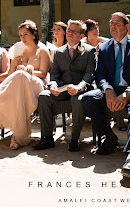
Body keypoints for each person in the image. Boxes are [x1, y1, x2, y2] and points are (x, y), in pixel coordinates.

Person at [80, 12, 130, 180]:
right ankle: (110, 137)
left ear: (127, 27)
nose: (113, 26)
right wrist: (108, 90)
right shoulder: (105, 47)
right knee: (88, 98)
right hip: (113, 90)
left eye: (117, 24)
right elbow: (100, 75)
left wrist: (129, 92)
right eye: (111, 23)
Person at [0, 20, 50, 149]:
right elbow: (11, 75)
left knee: (21, 75)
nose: (23, 38)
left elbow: (44, 74)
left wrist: (28, 70)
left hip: (38, 85)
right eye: (20, 35)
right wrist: (15, 64)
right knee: (17, 95)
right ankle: (17, 136)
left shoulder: (43, 50)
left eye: (25, 34)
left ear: (34, 34)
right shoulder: (22, 51)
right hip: (22, 86)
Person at [35, 20, 95, 152]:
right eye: (69, 30)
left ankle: (74, 139)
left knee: (77, 100)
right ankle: (47, 138)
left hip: (81, 89)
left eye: (74, 31)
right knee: (44, 96)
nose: (70, 33)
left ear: (81, 36)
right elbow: (55, 74)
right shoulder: (59, 52)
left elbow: (89, 74)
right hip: (63, 89)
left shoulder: (89, 51)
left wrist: (79, 87)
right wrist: (53, 86)